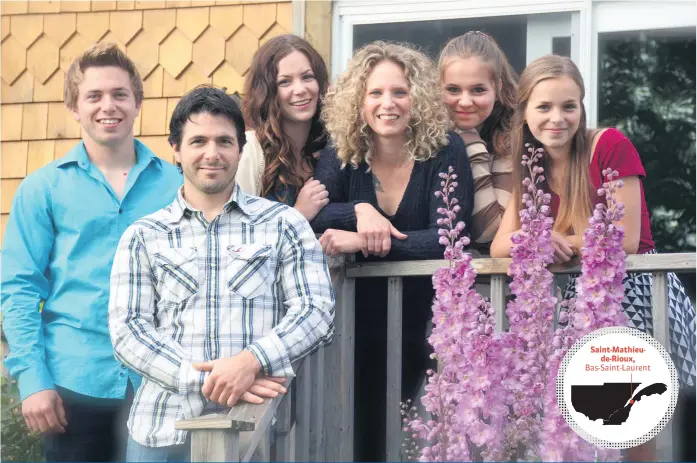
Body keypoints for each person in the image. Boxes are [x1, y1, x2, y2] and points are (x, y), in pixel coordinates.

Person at [108, 86, 335, 461]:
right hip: (161, 432)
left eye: (224, 141)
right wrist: (210, 382)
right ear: (176, 151)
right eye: (198, 141)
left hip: (255, 429)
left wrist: (251, 361)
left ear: (240, 150)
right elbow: (128, 330)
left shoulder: (282, 224)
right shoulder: (143, 236)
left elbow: (316, 312)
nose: (211, 153)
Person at [1, 43, 182, 462]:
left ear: (138, 103)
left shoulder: (175, 186)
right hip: (74, 383)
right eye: (94, 96)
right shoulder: (43, 189)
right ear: (74, 107)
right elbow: (19, 288)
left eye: (120, 94)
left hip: (160, 381)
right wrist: (33, 380)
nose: (109, 106)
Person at [489, 54, 696, 388]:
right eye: (544, 107)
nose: (557, 118)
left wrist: (556, 241)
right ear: (524, 112)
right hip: (583, 295)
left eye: (569, 106)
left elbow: (625, 238)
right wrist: (538, 241)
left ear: (581, 109)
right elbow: (501, 245)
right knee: (596, 417)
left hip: (634, 284)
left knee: (638, 415)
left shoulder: (608, 144)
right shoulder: (532, 165)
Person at [311, 41, 474, 461]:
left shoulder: (444, 149)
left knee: (433, 435)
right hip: (354, 323)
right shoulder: (341, 151)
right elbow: (316, 214)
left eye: (399, 92)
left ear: (416, 98)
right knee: (366, 433)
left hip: (431, 322)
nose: (388, 103)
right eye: (376, 93)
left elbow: (449, 237)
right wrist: (359, 212)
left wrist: (365, 245)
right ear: (358, 101)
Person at [236, 34, 330, 220]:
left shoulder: (332, 150)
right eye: (285, 81)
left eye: (307, 77)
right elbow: (237, 237)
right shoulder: (250, 152)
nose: (300, 89)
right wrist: (298, 215)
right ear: (267, 92)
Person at [439, 31, 517, 250]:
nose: (465, 101)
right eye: (453, 89)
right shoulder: (424, 139)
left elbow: (489, 231)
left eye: (478, 89)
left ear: (498, 88)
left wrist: (471, 143)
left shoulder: (511, 141)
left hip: (496, 281)